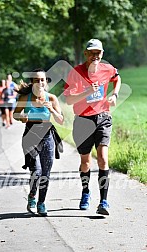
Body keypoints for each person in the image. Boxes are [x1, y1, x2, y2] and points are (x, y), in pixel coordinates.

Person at [64, 39, 121, 215]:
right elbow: (68, 100)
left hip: (103, 117)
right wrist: (86, 92)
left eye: (98, 52)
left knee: (103, 158)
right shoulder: (76, 72)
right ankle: (86, 192)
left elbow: (117, 78)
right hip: (82, 120)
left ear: (102, 54)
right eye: (92, 53)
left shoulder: (107, 69)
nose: (95, 56)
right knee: (85, 161)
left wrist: (115, 94)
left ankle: (104, 201)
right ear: (86, 54)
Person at [13, 68, 64, 216]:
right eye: (37, 80)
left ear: (46, 82)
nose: (40, 82)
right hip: (30, 135)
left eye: (42, 80)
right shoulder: (25, 98)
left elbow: (61, 120)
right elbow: (16, 114)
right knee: (36, 171)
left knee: (45, 173)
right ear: (32, 82)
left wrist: (52, 111)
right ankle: (32, 197)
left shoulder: (52, 98)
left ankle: (42, 203)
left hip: (48, 136)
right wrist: (22, 117)